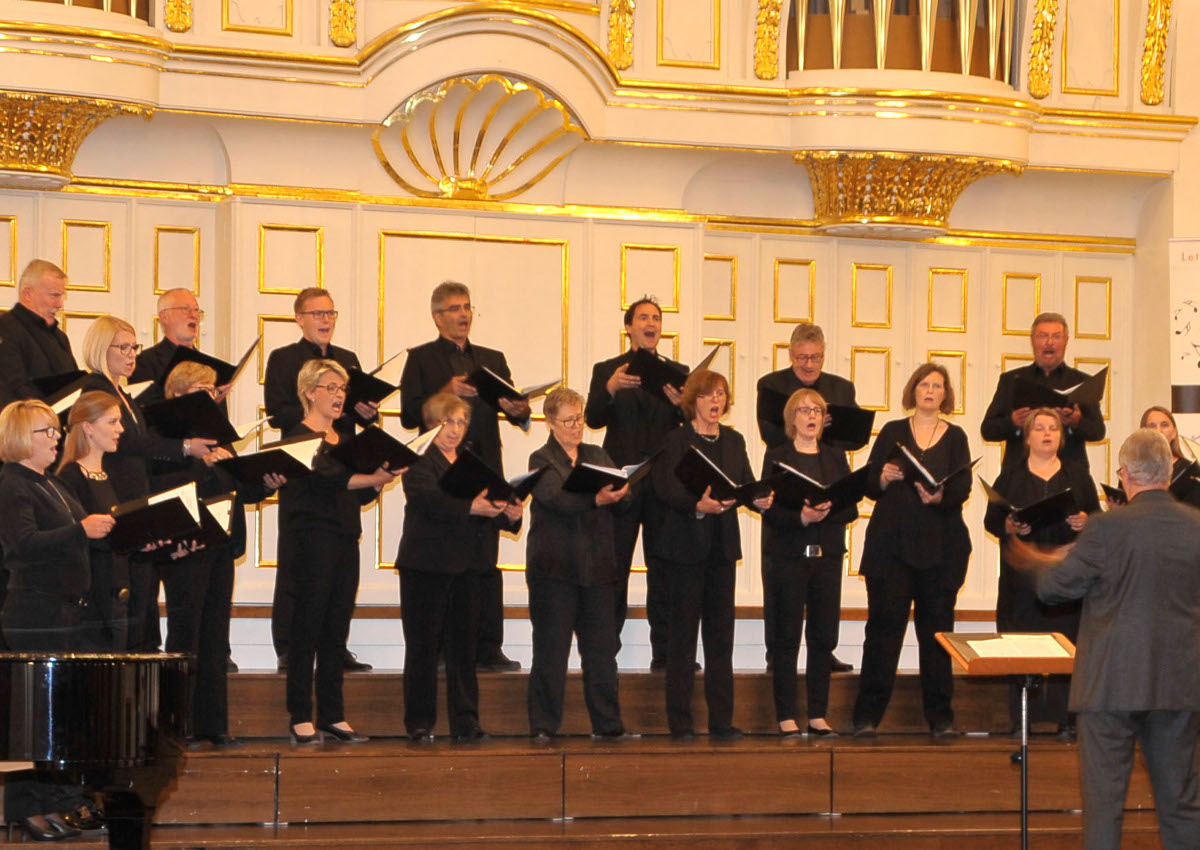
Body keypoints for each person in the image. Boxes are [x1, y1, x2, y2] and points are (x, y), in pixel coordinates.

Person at [1012, 429, 1200, 850]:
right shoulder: (1195, 526)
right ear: (1169, 473)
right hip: (1179, 685)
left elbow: (1054, 589)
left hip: (1110, 686)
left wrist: (1042, 561)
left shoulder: (1106, 529)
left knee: (1103, 808)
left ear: (1124, 473)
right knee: (1183, 807)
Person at [400, 280, 530, 673]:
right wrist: (445, 389)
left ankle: (488, 648)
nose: (463, 315)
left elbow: (518, 416)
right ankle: (442, 648)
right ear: (438, 316)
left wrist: (518, 408)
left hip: (484, 464)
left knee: (485, 562)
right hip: (441, 468)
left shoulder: (493, 357)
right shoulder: (421, 358)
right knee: (446, 558)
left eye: (468, 307)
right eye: (455, 308)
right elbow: (409, 416)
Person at [0, 399, 114, 841]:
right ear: (19, 439)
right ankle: (28, 809)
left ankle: (50, 803)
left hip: (64, 613)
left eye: (54, 430)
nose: (55, 438)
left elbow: (80, 532)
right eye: (44, 432)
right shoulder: (12, 484)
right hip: (35, 611)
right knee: (34, 721)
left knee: (56, 720)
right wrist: (80, 530)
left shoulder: (50, 483)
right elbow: (22, 545)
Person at [155, 361, 280, 748]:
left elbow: (237, 488)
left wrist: (264, 483)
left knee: (215, 636)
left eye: (213, 390)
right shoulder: (166, 439)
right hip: (186, 547)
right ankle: (181, 725)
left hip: (221, 547)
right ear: (177, 396)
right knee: (185, 634)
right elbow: (162, 487)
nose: (211, 397)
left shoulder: (218, 437)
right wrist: (200, 463)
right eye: (200, 390)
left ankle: (214, 724)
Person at [79, 315, 218, 651]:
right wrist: (184, 447)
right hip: (116, 499)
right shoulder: (96, 388)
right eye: (123, 347)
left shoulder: (123, 394)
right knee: (128, 602)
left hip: (135, 497)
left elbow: (142, 446)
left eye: (134, 347)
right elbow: (127, 444)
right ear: (101, 349)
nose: (131, 355)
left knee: (141, 600)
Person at [278, 359, 396, 745]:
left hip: (345, 539)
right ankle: (299, 713)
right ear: (310, 392)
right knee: (307, 627)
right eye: (330, 388)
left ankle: (332, 713)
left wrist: (382, 478)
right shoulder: (296, 437)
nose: (339, 396)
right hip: (310, 542)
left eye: (342, 389)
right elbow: (325, 476)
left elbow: (359, 492)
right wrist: (370, 478)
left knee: (335, 629)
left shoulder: (344, 440)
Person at [651, 369, 773, 740]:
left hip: (721, 550)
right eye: (707, 395)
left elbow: (745, 482)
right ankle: (681, 723)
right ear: (693, 401)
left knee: (721, 639)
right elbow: (664, 490)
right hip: (684, 550)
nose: (715, 401)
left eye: (720, 394)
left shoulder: (734, 441)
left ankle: (721, 721)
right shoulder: (675, 440)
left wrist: (760, 498)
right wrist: (698, 505)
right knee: (683, 640)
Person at [852, 363, 972, 737]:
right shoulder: (892, 431)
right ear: (913, 390)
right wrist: (883, 477)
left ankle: (940, 717)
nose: (931, 390)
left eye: (938, 385)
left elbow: (962, 486)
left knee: (936, 635)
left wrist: (940, 495)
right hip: (892, 549)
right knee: (883, 632)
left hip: (940, 550)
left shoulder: (956, 436)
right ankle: (867, 717)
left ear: (945, 394)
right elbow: (869, 482)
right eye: (924, 383)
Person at [395, 392, 523, 743]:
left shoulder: (472, 460)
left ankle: (466, 722)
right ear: (432, 423)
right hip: (426, 566)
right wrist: (471, 508)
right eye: (447, 421)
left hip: (468, 566)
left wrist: (510, 515)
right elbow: (426, 499)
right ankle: (420, 723)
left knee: (464, 648)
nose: (454, 430)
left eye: (461, 422)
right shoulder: (418, 458)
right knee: (423, 647)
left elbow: (489, 504)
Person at [264, 287, 377, 673]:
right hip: (304, 465)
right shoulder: (283, 359)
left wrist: (363, 409)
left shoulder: (348, 360)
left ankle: (336, 648)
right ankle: (288, 646)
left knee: (341, 577)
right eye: (317, 314)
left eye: (330, 313)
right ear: (299, 318)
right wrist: (314, 406)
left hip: (341, 453)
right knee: (297, 565)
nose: (325, 320)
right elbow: (279, 413)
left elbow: (358, 418)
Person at [983, 407, 1099, 736]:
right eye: (1040, 428)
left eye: (1054, 429)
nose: (1047, 433)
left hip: (1068, 575)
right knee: (1022, 645)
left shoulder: (1077, 474)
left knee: (1066, 645)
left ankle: (1067, 720)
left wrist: (1085, 521)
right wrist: (1007, 524)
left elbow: (1096, 515)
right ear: (1028, 436)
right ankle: (1023, 719)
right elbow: (992, 521)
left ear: (1062, 438)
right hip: (1022, 577)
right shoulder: (1010, 475)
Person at [584, 296, 684, 669]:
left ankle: (666, 654)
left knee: (665, 571)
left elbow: (687, 429)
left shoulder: (676, 371)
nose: (650, 323)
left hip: (662, 483)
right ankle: (604, 653)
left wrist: (680, 405)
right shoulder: (607, 369)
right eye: (643, 317)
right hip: (622, 483)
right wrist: (609, 388)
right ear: (629, 327)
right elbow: (593, 420)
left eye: (656, 318)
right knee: (614, 570)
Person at [526, 388, 630, 742]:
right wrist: (596, 498)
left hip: (597, 568)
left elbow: (617, 498)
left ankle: (608, 723)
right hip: (554, 571)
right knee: (551, 652)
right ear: (551, 422)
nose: (577, 426)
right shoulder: (541, 459)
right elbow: (556, 498)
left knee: (602, 652)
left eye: (581, 418)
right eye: (569, 420)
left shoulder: (596, 453)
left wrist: (622, 490)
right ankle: (543, 724)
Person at [755, 323, 858, 674]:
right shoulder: (772, 385)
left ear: (824, 355)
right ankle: (776, 656)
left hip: (827, 476)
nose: (809, 364)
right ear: (791, 354)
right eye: (802, 358)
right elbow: (769, 434)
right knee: (779, 586)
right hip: (788, 486)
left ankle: (823, 653)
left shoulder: (841, 388)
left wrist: (829, 429)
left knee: (825, 592)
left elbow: (854, 438)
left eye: (815, 358)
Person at [761, 389, 857, 737]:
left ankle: (818, 713)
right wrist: (801, 516)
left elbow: (851, 507)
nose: (811, 415)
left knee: (823, 635)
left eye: (817, 409)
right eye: (803, 410)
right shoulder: (777, 455)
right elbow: (769, 509)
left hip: (827, 556)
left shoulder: (835, 457)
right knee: (787, 636)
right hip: (789, 556)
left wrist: (828, 510)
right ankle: (786, 713)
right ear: (792, 419)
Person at [55, 390, 133, 651]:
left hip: (116, 598)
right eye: (112, 422)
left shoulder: (114, 475)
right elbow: (72, 538)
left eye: (120, 421)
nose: (120, 429)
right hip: (88, 603)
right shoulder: (69, 478)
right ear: (88, 427)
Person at [981, 312, 1105, 472]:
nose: (1049, 343)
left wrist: (1076, 422)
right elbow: (988, 429)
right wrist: (1013, 422)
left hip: (1069, 474)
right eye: (1043, 336)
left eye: (1056, 336)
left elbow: (1098, 431)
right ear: (1032, 340)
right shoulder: (1010, 380)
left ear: (1066, 341)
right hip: (1020, 475)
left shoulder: (1082, 382)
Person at [0, 260, 74, 408]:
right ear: (28, 294)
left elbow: (74, 383)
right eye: (54, 296)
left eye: (61, 296)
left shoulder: (60, 337)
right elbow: (14, 388)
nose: (60, 304)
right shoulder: (5, 328)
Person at [129, 288, 212, 409]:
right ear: (164, 317)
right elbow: (146, 415)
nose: (194, 315)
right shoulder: (145, 362)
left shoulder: (209, 366)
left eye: (196, 310)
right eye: (185, 309)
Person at [1140, 406, 1200, 508]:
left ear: (1174, 433)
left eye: (1164, 425)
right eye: (1152, 426)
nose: (1159, 431)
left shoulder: (1189, 471)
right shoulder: (1134, 468)